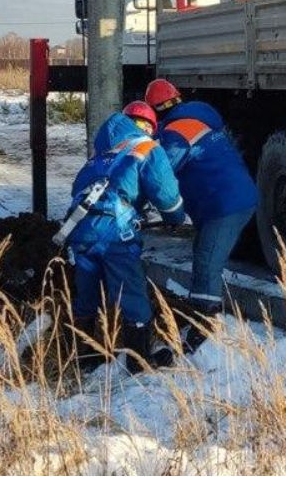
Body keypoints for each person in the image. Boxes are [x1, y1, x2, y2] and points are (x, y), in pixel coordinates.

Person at [64, 101, 185, 371]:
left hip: (79, 229)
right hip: (115, 232)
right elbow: (167, 196)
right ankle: (139, 360)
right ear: (149, 127)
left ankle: (82, 356)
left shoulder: (99, 155)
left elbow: (77, 190)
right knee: (131, 292)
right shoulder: (147, 148)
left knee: (86, 293)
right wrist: (175, 219)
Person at [144, 79, 258, 353]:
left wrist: (138, 204)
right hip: (233, 197)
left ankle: (204, 328)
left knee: (207, 260)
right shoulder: (198, 119)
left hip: (224, 204)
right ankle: (201, 315)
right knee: (204, 253)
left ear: (155, 109)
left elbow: (161, 177)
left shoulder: (175, 133)